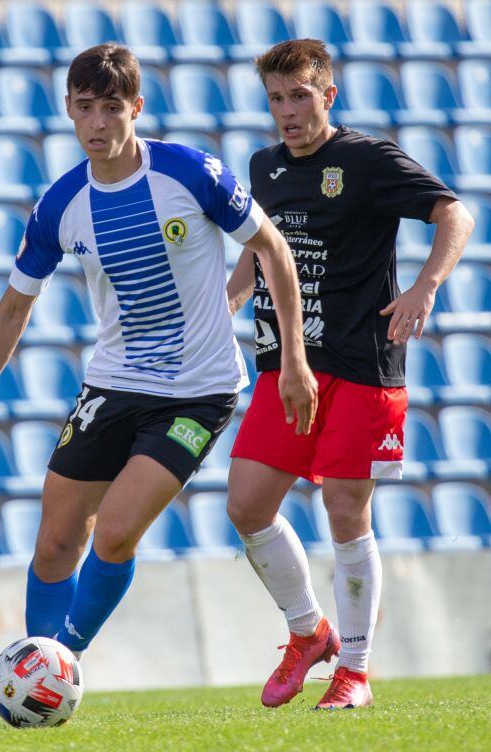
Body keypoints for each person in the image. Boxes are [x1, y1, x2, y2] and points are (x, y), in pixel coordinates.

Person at [0, 43, 315, 662]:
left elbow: (273, 248)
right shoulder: (61, 204)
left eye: (111, 108)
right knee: (57, 540)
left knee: (113, 534)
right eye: (85, 108)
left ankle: (57, 665)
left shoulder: (192, 174)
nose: (97, 123)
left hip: (199, 391)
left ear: (136, 107)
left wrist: (293, 360)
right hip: (112, 384)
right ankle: (43, 667)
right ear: (68, 110)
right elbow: (11, 310)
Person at [225, 39, 474, 710]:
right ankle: (309, 633)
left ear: (327, 95)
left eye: (299, 96)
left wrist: (425, 285)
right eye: (276, 99)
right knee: (246, 504)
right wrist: (228, 299)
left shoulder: (367, 159)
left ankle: (355, 673)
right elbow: (261, 250)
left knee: (344, 512)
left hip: (363, 363)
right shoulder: (264, 167)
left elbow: (457, 212)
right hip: (287, 367)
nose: (287, 112)